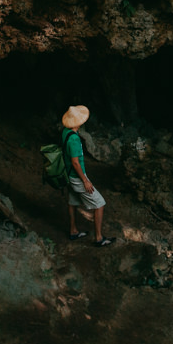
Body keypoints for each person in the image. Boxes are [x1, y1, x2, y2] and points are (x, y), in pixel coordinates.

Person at [62, 105, 114, 247]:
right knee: (100, 203)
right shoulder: (73, 139)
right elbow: (75, 162)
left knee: (72, 202)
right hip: (76, 177)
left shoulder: (65, 132)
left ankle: (73, 230)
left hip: (68, 175)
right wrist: (85, 180)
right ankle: (99, 238)